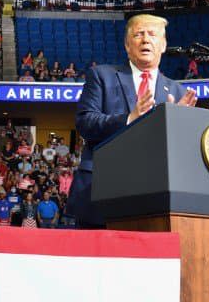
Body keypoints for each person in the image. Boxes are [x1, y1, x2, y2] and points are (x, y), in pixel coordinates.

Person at [67, 13, 197, 227]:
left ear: (163, 45)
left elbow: (180, 151)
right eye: (138, 34)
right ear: (128, 46)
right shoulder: (101, 76)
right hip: (101, 189)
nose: (146, 39)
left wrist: (178, 123)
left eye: (152, 34)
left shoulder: (177, 90)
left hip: (155, 193)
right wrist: (130, 118)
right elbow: (85, 123)